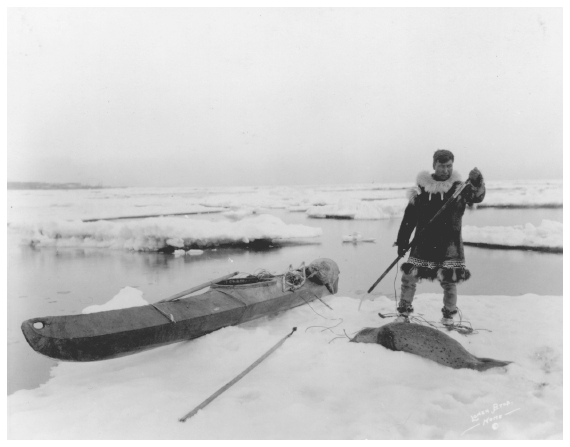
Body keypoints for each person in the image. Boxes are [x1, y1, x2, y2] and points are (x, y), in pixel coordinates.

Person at [394, 149, 485, 324]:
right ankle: (404, 313)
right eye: (441, 166)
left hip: (449, 244)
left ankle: (448, 316)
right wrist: (403, 241)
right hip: (423, 242)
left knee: (449, 280)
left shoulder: (460, 189)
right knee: (409, 277)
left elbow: (477, 197)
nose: (445, 170)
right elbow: (409, 218)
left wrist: (477, 181)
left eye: (449, 166)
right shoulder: (421, 190)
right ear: (434, 165)